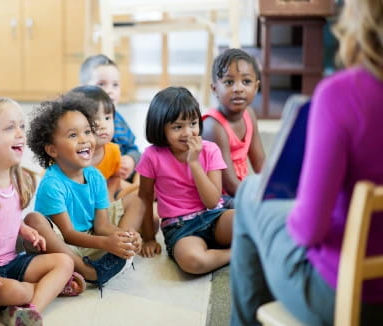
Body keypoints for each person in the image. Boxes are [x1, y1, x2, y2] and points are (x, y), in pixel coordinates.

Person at [230, 0, 383, 324]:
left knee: (250, 193)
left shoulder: (343, 95)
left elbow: (309, 230)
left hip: (346, 296)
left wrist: (302, 200)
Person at [0, 96, 83, 325]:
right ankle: (45, 290)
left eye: (21, 126)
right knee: (15, 292)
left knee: (64, 261)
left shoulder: (17, 180)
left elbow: (6, 219)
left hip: (11, 262)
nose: (20, 133)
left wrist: (24, 230)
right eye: (10, 128)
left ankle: (30, 311)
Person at [24, 93, 142, 293]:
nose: (84, 140)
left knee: (138, 198)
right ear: (52, 150)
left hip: (91, 237)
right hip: (66, 245)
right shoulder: (52, 184)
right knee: (33, 220)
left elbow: (102, 225)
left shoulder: (94, 176)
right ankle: (88, 272)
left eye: (87, 132)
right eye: (73, 135)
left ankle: (119, 250)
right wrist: (106, 242)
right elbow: (69, 235)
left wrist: (124, 236)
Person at [136, 86, 233, 275]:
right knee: (193, 262)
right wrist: (149, 238)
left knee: (248, 221)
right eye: (177, 127)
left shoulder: (210, 149)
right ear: (160, 127)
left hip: (214, 216)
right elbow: (145, 198)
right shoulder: (151, 156)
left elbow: (212, 202)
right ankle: (234, 253)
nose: (188, 133)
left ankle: (227, 248)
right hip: (180, 227)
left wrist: (194, 163)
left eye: (193, 123)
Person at [201, 48, 265, 208]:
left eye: (246, 82)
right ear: (215, 89)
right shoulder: (214, 126)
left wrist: (274, 189)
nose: (238, 88)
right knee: (256, 211)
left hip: (238, 190)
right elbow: (228, 183)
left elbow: (261, 163)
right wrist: (259, 198)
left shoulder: (249, 114)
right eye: (229, 82)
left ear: (256, 87)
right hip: (217, 197)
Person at [80, 54, 141, 185]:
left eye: (115, 85)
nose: (109, 90)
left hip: (120, 174)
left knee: (148, 166)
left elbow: (133, 148)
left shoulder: (119, 120)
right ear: (83, 89)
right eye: (101, 84)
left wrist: (130, 160)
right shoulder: (79, 121)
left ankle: (138, 192)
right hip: (97, 178)